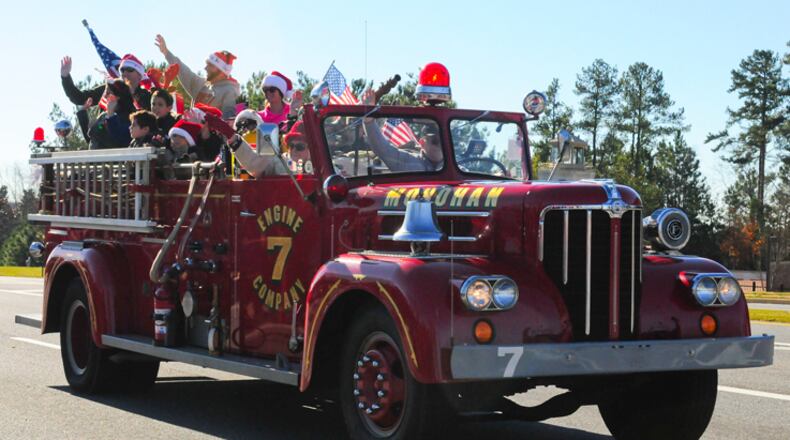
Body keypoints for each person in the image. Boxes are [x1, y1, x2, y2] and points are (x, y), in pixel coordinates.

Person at [155, 34, 240, 117]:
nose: (205, 68)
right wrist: (166, 52)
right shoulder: (203, 84)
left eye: (211, 65)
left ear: (222, 71)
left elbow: (228, 122)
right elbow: (181, 69)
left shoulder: (229, 91)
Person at [360, 89, 443, 172]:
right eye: (435, 141)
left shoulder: (454, 166)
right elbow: (383, 149)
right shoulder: (408, 162)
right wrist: (369, 118)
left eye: (444, 142)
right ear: (422, 143)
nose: (441, 146)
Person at [229, 121, 311, 177]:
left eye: (300, 147)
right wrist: (235, 141)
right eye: (291, 145)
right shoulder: (281, 162)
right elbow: (255, 164)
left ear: (311, 149)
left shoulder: (322, 167)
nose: (293, 150)